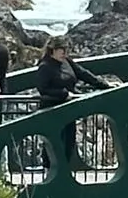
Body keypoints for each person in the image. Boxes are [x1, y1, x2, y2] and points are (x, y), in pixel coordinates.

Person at [33, 37, 107, 170]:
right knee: (54, 142)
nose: (65, 53)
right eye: (62, 50)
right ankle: (50, 172)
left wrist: (104, 85)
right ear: (53, 50)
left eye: (66, 50)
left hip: (68, 110)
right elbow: (42, 89)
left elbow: (83, 74)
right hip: (52, 110)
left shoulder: (67, 62)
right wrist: (64, 94)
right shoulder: (45, 66)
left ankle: (63, 171)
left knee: (69, 141)